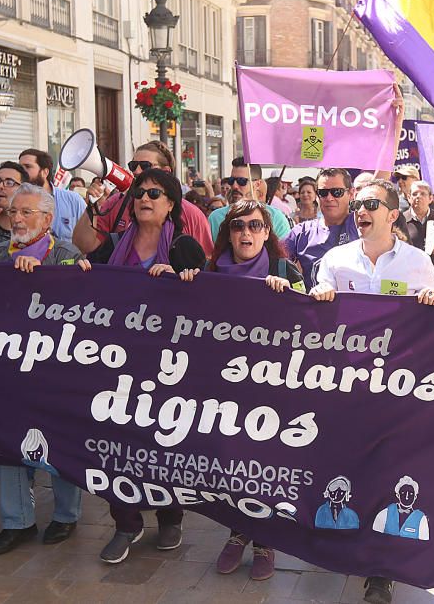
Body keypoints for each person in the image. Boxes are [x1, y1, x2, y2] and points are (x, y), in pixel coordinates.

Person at [309, 178, 434, 604]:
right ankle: (343, 543)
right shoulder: (335, 260)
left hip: (395, 392)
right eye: (358, 204)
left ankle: (379, 571)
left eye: (370, 204)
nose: (360, 211)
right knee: (346, 470)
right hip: (344, 391)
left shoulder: (417, 262)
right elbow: (314, 323)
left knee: (386, 473)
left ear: (392, 214)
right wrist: (318, 298)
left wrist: (430, 300)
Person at [174, 201, 305, 581]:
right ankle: (237, 532)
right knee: (230, 465)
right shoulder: (210, 271)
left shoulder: (285, 270)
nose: (245, 233)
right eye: (237, 226)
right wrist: (173, 279)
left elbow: (315, 324)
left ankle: (266, 540)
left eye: (254, 226)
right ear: (227, 233)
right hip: (223, 390)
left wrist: (289, 296)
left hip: (272, 391)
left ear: (267, 232)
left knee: (263, 467)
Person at [0, 184, 83, 555]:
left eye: (26, 212)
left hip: (53, 372)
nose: (16, 218)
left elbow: (77, 309)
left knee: (58, 442)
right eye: (14, 211)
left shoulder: (65, 253)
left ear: (47, 219)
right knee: (6, 442)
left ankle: (66, 515)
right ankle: (17, 521)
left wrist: (39, 279)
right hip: (6, 368)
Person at [80, 169, 194, 563]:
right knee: (114, 444)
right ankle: (126, 522)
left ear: (170, 205)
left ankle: (169, 517)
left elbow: (207, 305)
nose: (145, 198)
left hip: (165, 368)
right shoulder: (112, 244)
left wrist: (184, 279)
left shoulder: (183, 246)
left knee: (162, 442)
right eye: (139, 193)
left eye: (155, 193)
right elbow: (82, 251)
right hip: (114, 363)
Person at [73, 142, 214, 259]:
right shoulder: (116, 202)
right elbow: (84, 245)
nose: (137, 171)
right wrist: (93, 206)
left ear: (166, 171)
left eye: (145, 166)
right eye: (133, 166)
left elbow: (206, 261)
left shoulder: (192, 214)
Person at [283, 169, 359, 290]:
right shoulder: (301, 233)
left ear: (351, 194)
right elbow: (273, 258)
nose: (329, 198)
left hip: (353, 307)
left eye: (337, 192)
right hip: (312, 306)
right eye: (323, 192)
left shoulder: (361, 226)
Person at [209, 158, 291, 239]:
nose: (234, 186)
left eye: (241, 181)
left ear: (257, 184)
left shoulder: (276, 218)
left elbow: (284, 251)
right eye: (231, 180)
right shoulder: (216, 218)